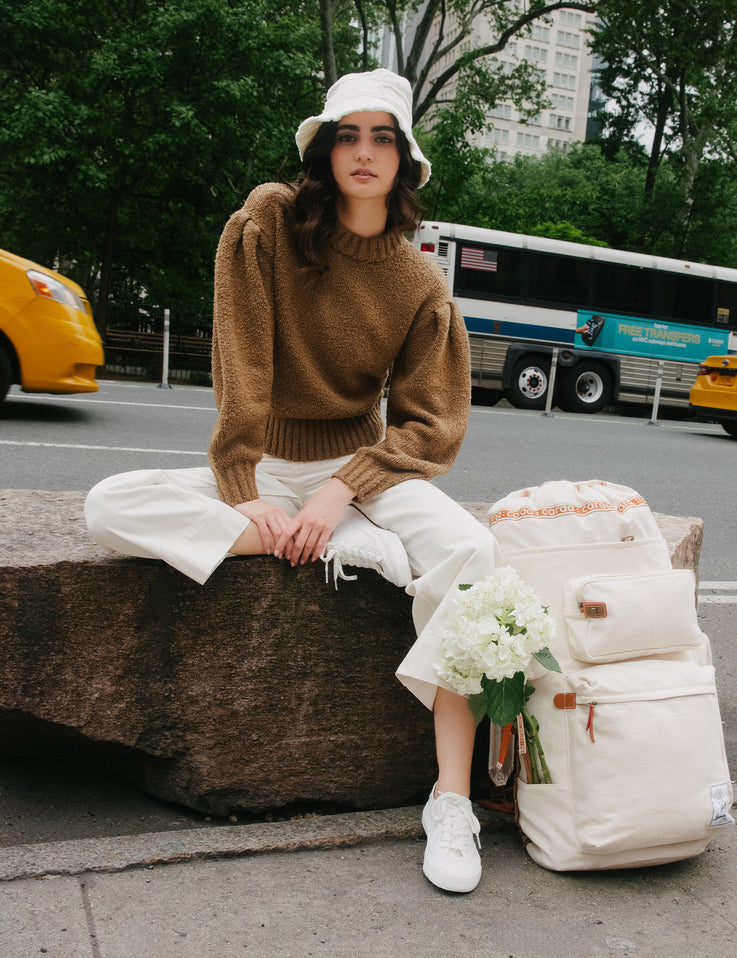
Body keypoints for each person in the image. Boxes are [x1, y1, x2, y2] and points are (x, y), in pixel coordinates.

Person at [84, 68, 500, 894]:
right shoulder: (269, 223)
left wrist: (342, 490)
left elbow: (431, 423)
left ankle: (453, 800)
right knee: (108, 506)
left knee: (472, 554)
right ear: (324, 148)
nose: (365, 152)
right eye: (349, 133)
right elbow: (241, 368)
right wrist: (244, 489)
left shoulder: (421, 284)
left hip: (362, 473)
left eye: (385, 136)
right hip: (267, 463)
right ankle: (335, 546)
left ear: (406, 162)